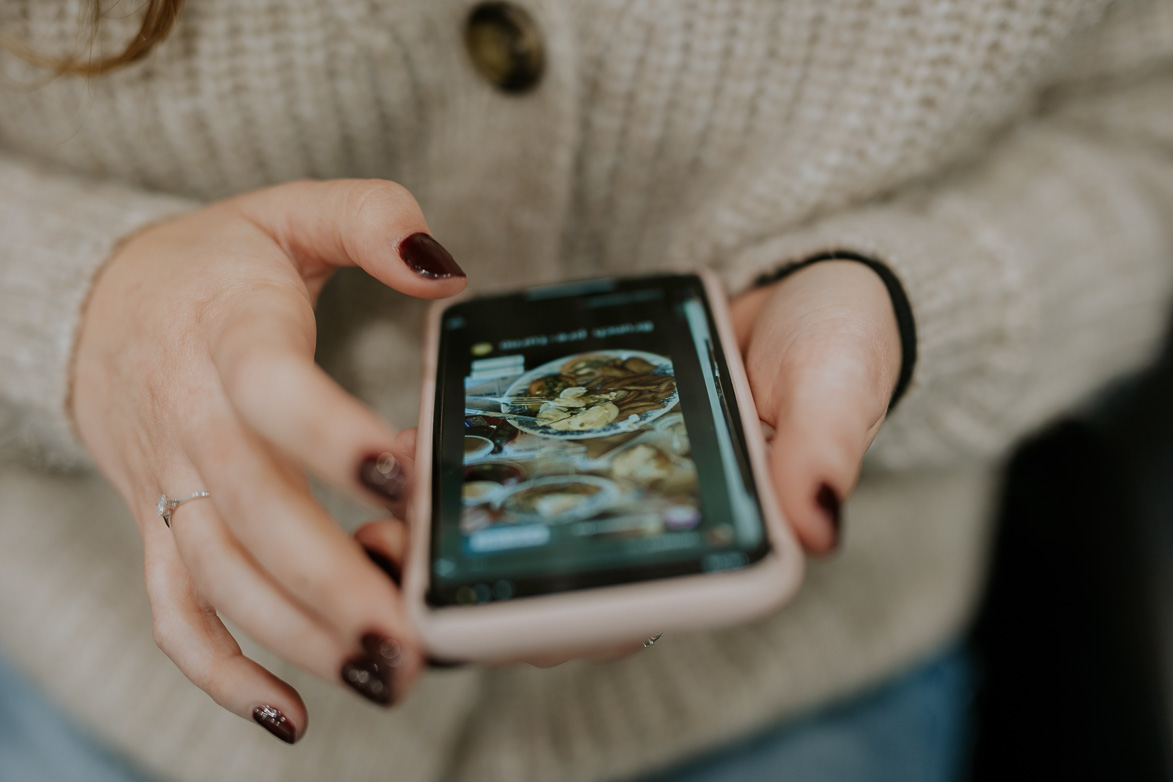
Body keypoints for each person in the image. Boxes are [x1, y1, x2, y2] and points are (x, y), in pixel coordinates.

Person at [1, 1, 1171, 780]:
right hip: (132, 709)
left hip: (802, 702)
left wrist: (913, 300)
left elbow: (1144, 131)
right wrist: (82, 311)